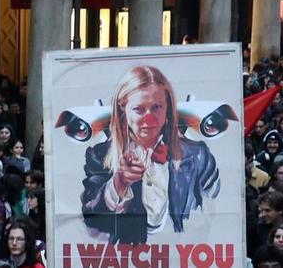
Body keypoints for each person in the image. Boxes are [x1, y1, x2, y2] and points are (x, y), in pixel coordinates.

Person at [80, 66, 220, 244]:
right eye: (139, 109)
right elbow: (91, 218)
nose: (149, 118)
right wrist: (119, 183)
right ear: (123, 109)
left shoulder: (198, 155)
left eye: (156, 107)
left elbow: (219, 215)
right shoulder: (99, 155)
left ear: (168, 108)